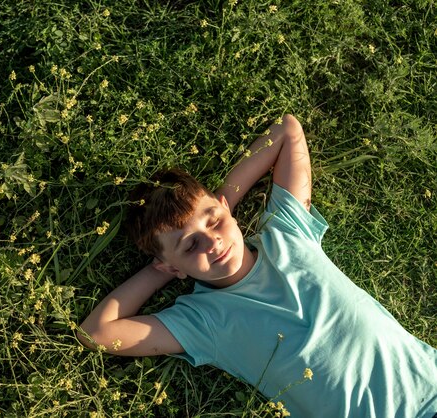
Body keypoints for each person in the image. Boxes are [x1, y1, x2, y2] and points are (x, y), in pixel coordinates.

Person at [77, 115, 437, 417]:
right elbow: (96, 334)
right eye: (190, 246)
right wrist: (161, 268)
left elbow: (287, 130)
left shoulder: (286, 234)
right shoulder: (202, 320)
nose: (212, 241)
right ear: (174, 267)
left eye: (213, 221)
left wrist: (225, 201)